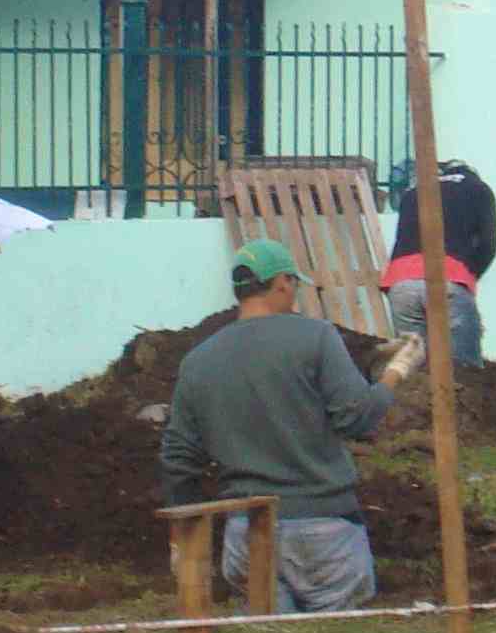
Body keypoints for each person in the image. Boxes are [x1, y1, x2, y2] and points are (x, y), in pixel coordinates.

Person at [158, 239, 422, 613]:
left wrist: (180, 542)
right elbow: (358, 417)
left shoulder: (199, 361)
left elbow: (179, 456)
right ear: (281, 283)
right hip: (324, 535)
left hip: (247, 535)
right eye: (294, 284)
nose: (295, 293)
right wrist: (395, 373)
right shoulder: (315, 337)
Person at [380, 158, 496, 368]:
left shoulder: (413, 192)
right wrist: (469, 274)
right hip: (450, 279)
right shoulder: (480, 190)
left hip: (401, 281)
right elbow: (488, 245)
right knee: (463, 370)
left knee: (411, 366)